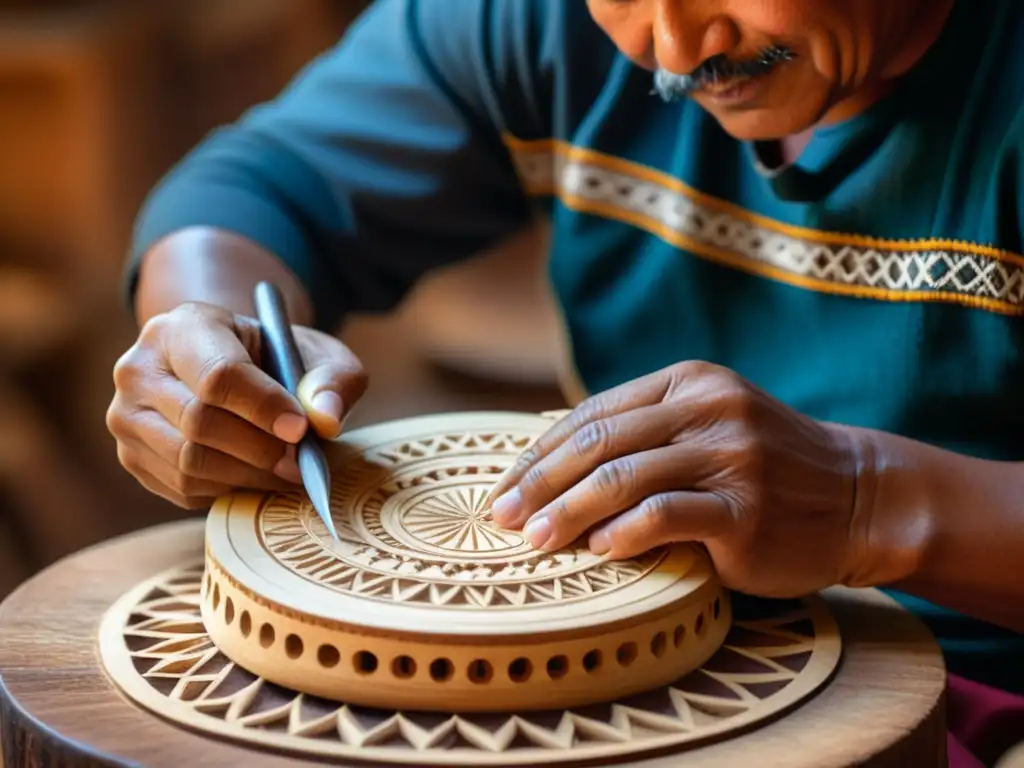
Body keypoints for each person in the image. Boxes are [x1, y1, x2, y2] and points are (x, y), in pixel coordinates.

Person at [107, 0, 1024, 762]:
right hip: (627, 674)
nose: (671, 51)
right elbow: (264, 184)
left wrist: (868, 503)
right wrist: (206, 341)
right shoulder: (548, 23)